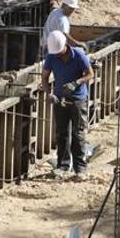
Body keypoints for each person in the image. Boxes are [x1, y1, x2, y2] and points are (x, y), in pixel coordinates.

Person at [41, 31, 95, 177]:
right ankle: (63, 166)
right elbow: (44, 77)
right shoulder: (52, 56)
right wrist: (49, 94)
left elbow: (90, 74)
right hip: (60, 99)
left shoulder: (78, 55)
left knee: (78, 134)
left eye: (60, 52)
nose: (58, 55)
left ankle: (80, 168)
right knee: (61, 133)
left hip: (78, 99)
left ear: (65, 45)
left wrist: (76, 82)